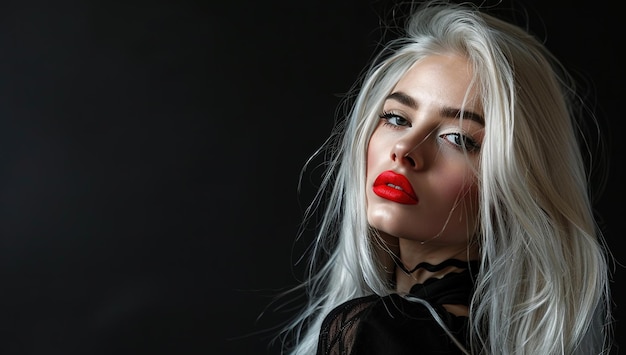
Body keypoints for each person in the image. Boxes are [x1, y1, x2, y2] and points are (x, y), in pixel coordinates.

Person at [272, 1, 614, 354]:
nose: (404, 148)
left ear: (514, 187)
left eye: (457, 138)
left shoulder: (382, 331)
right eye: (397, 118)